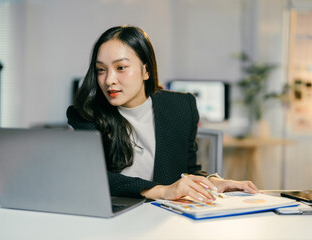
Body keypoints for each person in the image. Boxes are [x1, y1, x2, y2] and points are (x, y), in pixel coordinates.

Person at [67, 25, 259, 203]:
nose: (109, 80)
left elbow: (186, 171)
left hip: (165, 218)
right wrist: (162, 191)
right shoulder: (86, 114)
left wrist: (211, 182)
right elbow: (91, 177)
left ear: (146, 70)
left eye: (121, 68)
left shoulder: (181, 107)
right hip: (113, 216)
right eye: (101, 70)